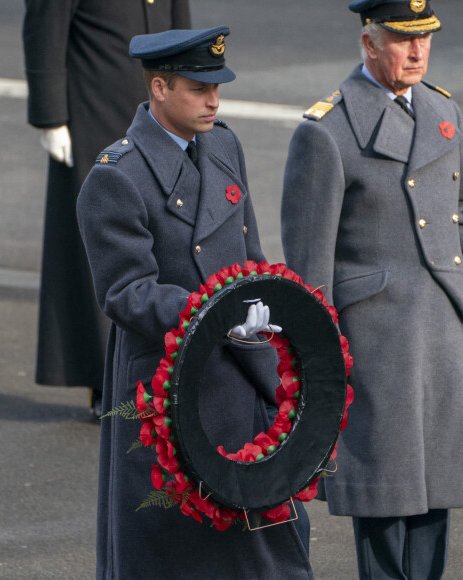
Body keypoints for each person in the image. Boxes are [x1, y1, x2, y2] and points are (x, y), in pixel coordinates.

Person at [281, 1, 463, 578]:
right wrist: (317, 364)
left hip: (439, 334)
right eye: (403, 40)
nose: (417, 52)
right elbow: (309, 266)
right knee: (384, 503)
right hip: (376, 346)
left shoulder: (441, 111)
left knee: (437, 497)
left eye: (426, 39)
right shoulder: (328, 131)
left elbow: (459, 216)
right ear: (368, 43)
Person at [77, 27, 313, 579]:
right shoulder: (117, 177)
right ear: (159, 87)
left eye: (217, 89)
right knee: (176, 548)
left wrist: (266, 314)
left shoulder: (224, 145)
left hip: (243, 377)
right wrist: (218, 314)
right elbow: (125, 293)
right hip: (172, 386)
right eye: (197, 88)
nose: (213, 101)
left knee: (264, 540)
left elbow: (251, 255)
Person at [22, 0, 191, 418]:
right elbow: (47, 21)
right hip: (93, 110)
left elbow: (177, 22)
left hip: (159, 109)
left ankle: (170, 367)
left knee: (169, 234)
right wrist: (51, 116)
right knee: (103, 252)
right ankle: (107, 380)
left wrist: (189, 83)